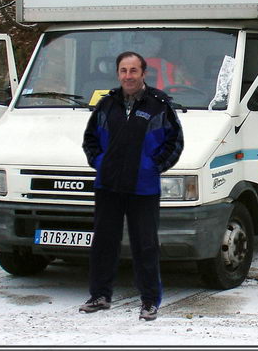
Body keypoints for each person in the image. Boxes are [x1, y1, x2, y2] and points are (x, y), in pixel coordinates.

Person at [81, 51, 184, 321]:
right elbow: (90, 140)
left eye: (133, 71)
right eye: (124, 71)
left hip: (143, 188)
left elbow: (175, 143)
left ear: (143, 74)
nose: (128, 76)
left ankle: (149, 301)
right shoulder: (106, 105)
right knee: (104, 243)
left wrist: (153, 166)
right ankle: (100, 295)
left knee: (145, 245)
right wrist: (100, 162)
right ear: (118, 74)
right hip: (109, 186)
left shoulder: (159, 105)